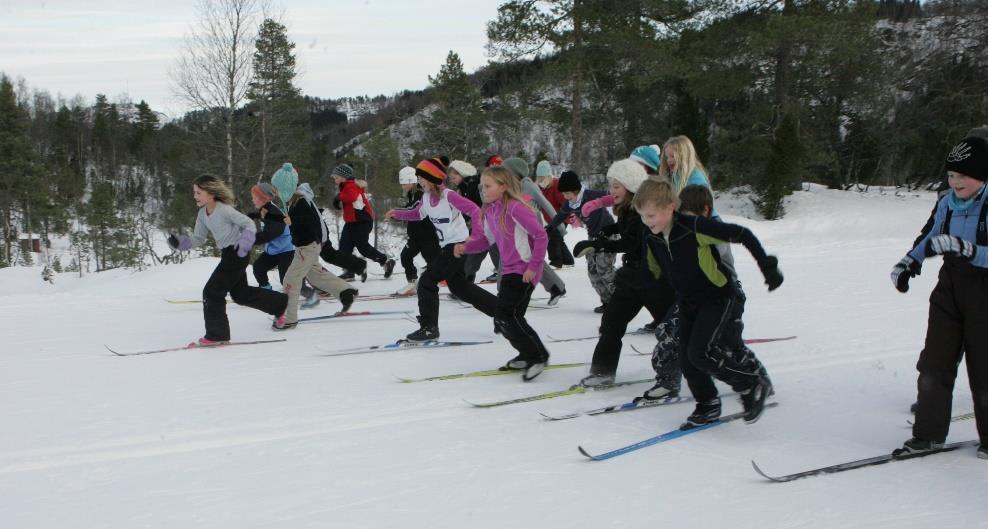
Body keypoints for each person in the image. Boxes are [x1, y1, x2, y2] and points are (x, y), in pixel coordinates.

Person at [634, 178, 782, 426]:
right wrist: (638, 281)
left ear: (671, 206)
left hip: (718, 297)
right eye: (642, 216)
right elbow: (652, 272)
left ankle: (751, 383)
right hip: (689, 301)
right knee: (686, 358)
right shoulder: (653, 237)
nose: (647, 222)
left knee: (700, 353)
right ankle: (708, 404)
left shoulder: (694, 227)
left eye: (651, 215)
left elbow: (742, 234)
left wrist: (767, 267)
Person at [890, 136, 988, 459]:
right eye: (951, 175)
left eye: (963, 175)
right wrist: (910, 262)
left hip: (984, 290)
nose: (955, 181)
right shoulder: (947, 202)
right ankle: (928, 436)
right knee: (934, 363)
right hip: (950, 287)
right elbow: (931, 236)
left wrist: (969, 250)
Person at [573, 160, 676, 388]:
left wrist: (599, 245)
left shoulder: (642, 210)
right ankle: (602, 372)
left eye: (616, 186)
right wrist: (608, 231)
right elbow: (625, 230)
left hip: (654, 280)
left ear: (630, 186)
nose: (611, 191)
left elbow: (631, 242)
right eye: (610, 185)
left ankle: (686, 370)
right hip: (632, 278)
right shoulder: (627, 209)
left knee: (672, 328)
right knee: (611, 323)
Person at [167, 174, 289, 345]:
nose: (195, 196)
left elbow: (248, 223)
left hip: (237, 252)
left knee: (212, 292)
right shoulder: (202, 214)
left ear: (211, 193)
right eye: (194, 192)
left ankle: (217, 335)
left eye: (198, 193)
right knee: (241, 294)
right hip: (229, 254)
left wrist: (245, 242)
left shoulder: (224, 209)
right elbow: (198, 238)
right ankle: (280, 304)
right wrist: (180, 243)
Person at [386, 158, 498, 341]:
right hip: (447, 247)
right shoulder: (426, 198)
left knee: (426, 282)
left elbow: (475, 211)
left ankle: (429, 328)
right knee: (460, 288)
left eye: (422, 178)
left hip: (458, 246)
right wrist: (397, 213)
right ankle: (502, 313)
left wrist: (475, 236)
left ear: (432, 178)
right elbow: (417, 214)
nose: (419, 182)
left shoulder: (449, 196)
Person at [457, 165, 552, 381]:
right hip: (508, 271)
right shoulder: (490, 210)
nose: (483, 190)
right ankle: (528, 354)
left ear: (503, 186)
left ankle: (538, 356)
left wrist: (533, 267)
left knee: (506, 317)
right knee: (508, 318)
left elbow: (540, 236)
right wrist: (466, 246)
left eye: (488, 186)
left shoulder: (516, 208)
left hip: (524, 270)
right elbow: (485, 241)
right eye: (481, 186)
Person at [273, 181, 359, 330]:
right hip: (307, 247)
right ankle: (346, 291)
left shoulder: (301, 201)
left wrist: (292, 221)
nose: (278, 194)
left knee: (291, 279)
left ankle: (289, 319)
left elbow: (311, 221)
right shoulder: (295, 202)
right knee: (314, 275)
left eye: (279, 190)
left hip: (307, 247)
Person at [546, 170, 616, 313]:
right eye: (563, 194)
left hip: (609, 234)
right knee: (593, 272)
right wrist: (550, 228)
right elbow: (560, 216)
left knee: (604, 269)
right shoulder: (569, 204)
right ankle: (608, 302)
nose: (565, 197)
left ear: (575, 190)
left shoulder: (591, 195)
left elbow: (612, 195)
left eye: (567, 194)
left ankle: (622, 301)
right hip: (593, 237)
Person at [501, 157, 567, 305]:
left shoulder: (528, 186)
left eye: (506, 172)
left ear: (515, 173)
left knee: (530, 258)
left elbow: (546, 204)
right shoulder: (507, 187)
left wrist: (560, 226)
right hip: (515, 227)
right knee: (517, 257)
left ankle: (556, 287)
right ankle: (556, 287)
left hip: (532, 226)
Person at [330, 164, 395, 279]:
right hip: (352, 222)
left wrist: (338, 197)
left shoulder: (350, 185)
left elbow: (351, 197)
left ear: (343, 176)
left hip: (362, 221)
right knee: (344, 246)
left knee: (363, 247)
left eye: (336, 177)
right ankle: (349, 271)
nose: (334, 179)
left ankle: (386, 261)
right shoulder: (346, 186)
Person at [450, 159, 499, 283]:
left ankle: (507, 280)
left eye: (454, 176)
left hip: (488, 225)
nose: (452, 179)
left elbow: (476, 207)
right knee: (474, 255)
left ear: (462, 174)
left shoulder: (473, 186)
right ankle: (466, 282)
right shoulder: (465, 187)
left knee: (494, 253)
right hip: (482, 226)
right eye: (451, 177)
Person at [248, 182, 295, 291]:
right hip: (274, 250)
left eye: (254, 197)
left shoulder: (274, 212)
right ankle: (266, 288)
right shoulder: (264, 209)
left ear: (263, 198)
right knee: (259, 267)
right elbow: (260, 216)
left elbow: (269, 234)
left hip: (287, 251)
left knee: (286, 280)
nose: (252, 200)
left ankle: (308, 293)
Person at [659, 135, 718, 217]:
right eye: (667, 157)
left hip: (707, 221)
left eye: (672, 156)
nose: (668, 160)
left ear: (684, 156)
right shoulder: (673, 177)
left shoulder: (695, 178)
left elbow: (700, 206)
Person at [535, 160, 575, 268]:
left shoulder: (556, 185)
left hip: (560, 217)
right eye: (540, 177)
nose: (541, 180)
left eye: (543, 177)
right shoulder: (540, 187)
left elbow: (565, 202)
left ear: (548, 176)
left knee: (552, 238)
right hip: (550, 219)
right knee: (558, 239)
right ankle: (568, 261)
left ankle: (556, 262)